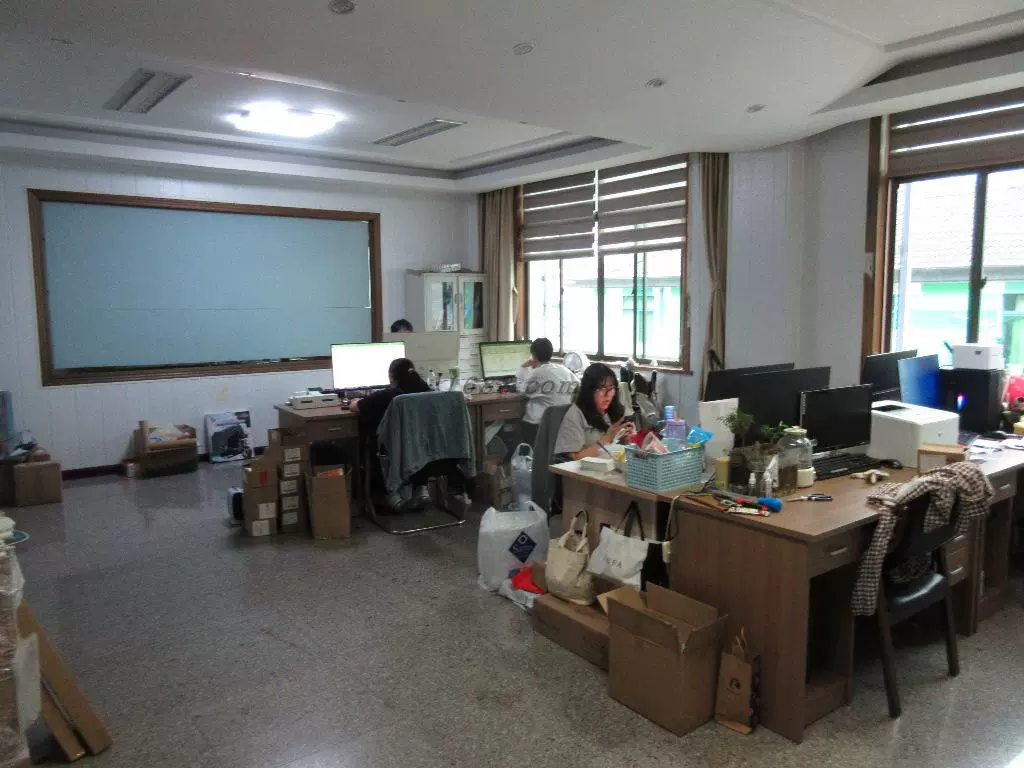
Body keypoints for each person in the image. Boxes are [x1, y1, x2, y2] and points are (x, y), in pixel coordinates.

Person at [350, 358, 431, 507]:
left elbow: (355, 407)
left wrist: (355, 399)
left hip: (393, 449)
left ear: (392, 377)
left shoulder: (389, 394)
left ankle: (392, 494)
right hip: (422, 449)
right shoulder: (427, 391)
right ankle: (422, 489)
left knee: (366, 442)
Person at [554, 363, 635, 460]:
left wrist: (624, 440)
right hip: (584, 468)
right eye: (602, 389)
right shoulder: (575, 415)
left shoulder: (615, 411)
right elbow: (573, 458)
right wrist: (608, 438)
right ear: (589, 391)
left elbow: (617, 451)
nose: (608, 395)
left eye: (611, 389)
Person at [516, 337, 576, 447]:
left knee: (514, 426)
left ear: (533, 355)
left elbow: (521, 389)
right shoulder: (563, 369)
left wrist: (523, 368)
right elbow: (577, 385)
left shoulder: (538, 372)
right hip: (561, 425)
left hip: (538, 426)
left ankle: (522, 455)